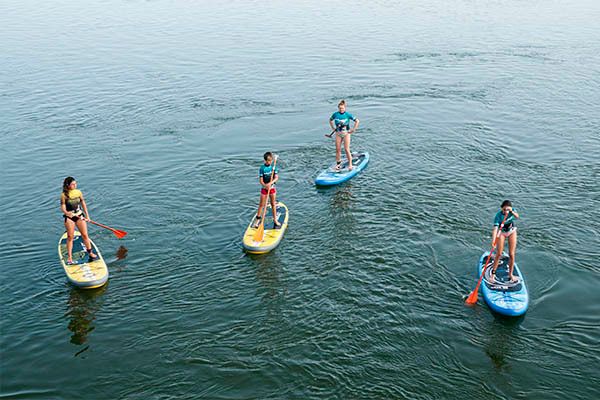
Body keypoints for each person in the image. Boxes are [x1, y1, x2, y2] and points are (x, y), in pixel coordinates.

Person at [60, 177, 98, 264]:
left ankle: (90, 252)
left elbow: (83, 203)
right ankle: (69, 257)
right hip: (70, 218)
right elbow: (63, 207)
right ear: (68, 185)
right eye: (73, 184)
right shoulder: (64, 195)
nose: (75, 185)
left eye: (75, 184)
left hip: (80, 216)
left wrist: (87, 216)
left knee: (85, 235)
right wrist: (67, 213)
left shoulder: (78, 192)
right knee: (70, 237)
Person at [491, 200, 520, 282]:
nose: (506, 212)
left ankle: (511, 274)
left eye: (507, 210)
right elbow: (495, 229)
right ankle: (493, 275)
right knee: (499, 253)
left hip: (511, 231)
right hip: (502, 232)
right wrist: (493, 241)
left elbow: (517, 216)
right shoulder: (498, 216)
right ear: (501, 209)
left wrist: (512, 212)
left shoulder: (512, 211)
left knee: (511, 254)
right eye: (504, 210)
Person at [329, 100, 360, 171]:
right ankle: (338, 165)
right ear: (338, 108)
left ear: (345, 108)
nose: (341, 109)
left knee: (346, 149)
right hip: (338, 134)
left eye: (342, 108)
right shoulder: (335, 114)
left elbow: (357, 121)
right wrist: (333, 128)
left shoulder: (348, 115)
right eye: (340, 108)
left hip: (346, 134)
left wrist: (353, 129)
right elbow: (330, 120)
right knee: (338, 149)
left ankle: (350, 164)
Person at [253, 152, 281, 229]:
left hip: (272, 188)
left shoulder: (273, 167)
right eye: (268, 161)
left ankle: (275, 219)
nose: (269, 162)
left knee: (273, 204)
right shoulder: (262, 168)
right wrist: (265, 186)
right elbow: (261, 180)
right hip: (264, 189)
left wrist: (270, 184)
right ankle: (258, 220)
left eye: (271, 160)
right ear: (265, 160)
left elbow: (276, 178)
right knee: (261, 204)